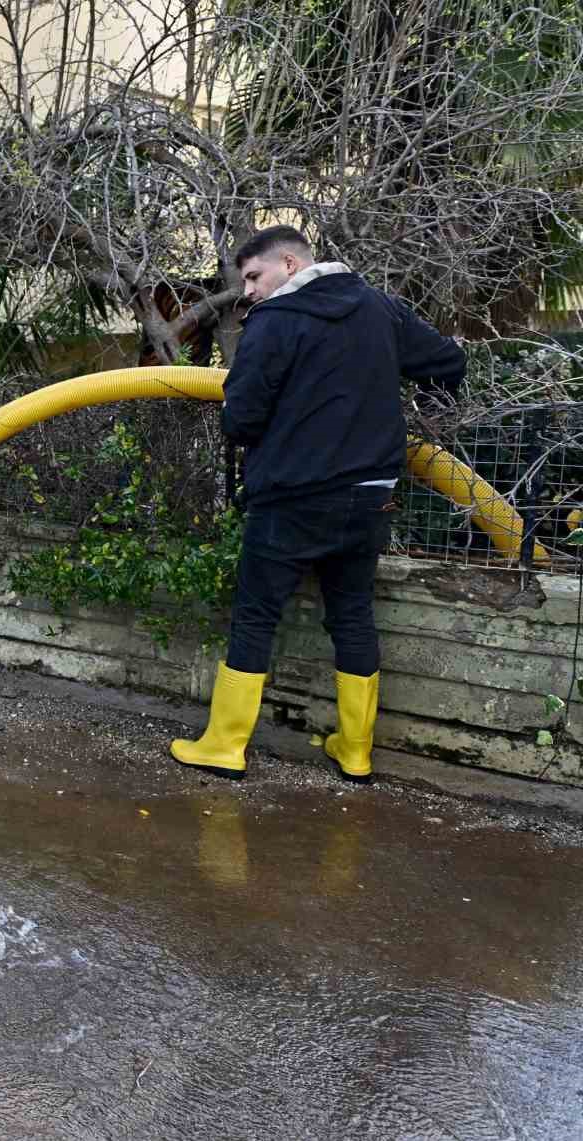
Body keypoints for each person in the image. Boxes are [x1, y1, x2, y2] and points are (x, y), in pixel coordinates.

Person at [170, 226, 465, 782]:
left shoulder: (274, 323)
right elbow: (448, 363)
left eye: (253, 277)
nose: (249, 292)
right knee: (352, 614)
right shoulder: (379, 308)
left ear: (288, 263)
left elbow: (242, 420)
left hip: (292, 497)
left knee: (256, 615)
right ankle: (355, 752)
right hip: (370, 497)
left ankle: (224, 746)